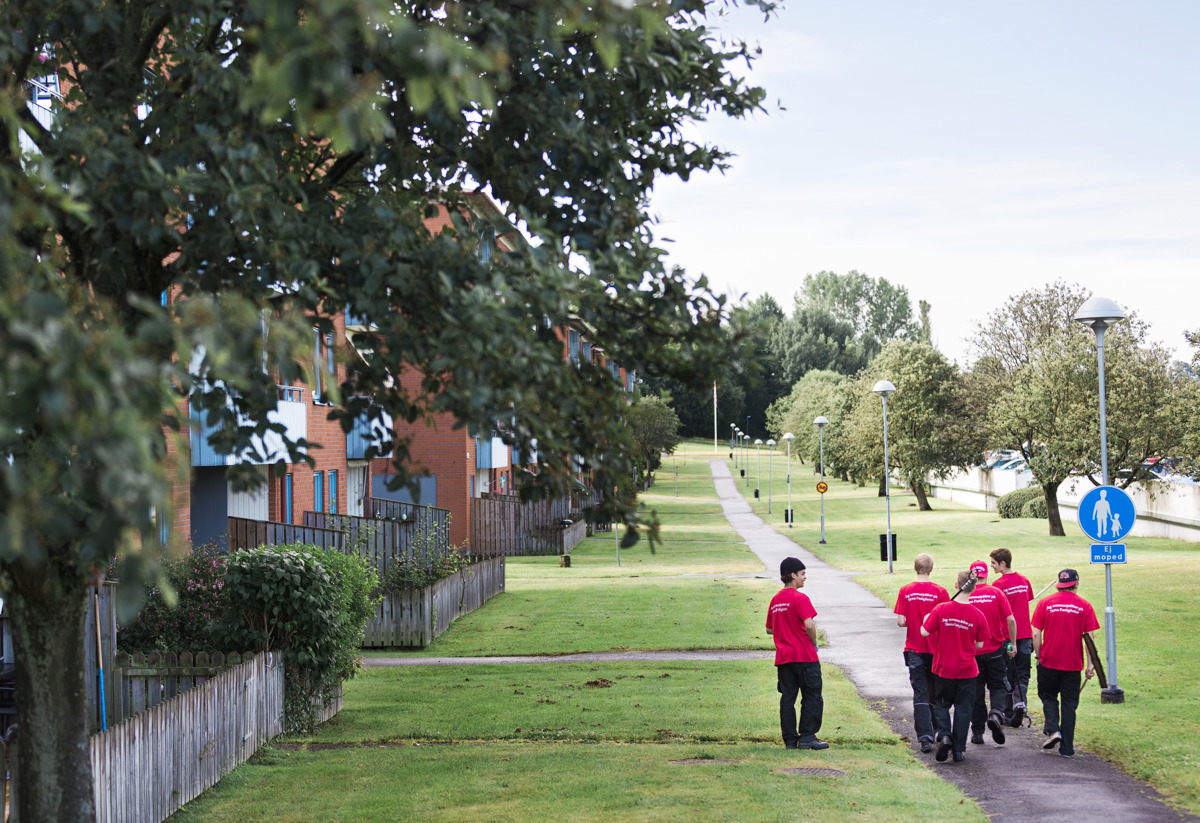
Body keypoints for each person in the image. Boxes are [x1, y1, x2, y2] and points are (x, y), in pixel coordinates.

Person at [1032, 568, 1099, 758]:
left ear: (1059, 584)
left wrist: (1038, 656)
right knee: (1069, 704)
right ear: (1076, 584)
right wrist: (1091, 664)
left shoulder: (1045, 603)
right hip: (1072, 664)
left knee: (1048, 696)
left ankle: (1053, 730)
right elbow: (1090, 638)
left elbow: (1036, 633)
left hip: (1048, 661)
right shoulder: (1084, 606)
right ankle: (1067, 748)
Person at [921, 570, 987, 763]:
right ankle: (958, 750)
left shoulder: (941, 609)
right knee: (963, 709)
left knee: (940, 704)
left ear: (956, 586)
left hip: (944, 668)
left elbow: (924, 632)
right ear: (974, 589)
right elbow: (980, 645)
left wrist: (927, 618)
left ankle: (945, 735)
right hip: (967, 670)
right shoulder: (978, 615)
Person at [765, 557, 827, 750]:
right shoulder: (800, 598)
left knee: (788, 699)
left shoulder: (776, 600)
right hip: (804, 655)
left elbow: (769, 629)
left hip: (784, 658)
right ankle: (808, 736)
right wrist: (814, 642)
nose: (805, 577)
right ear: (793, 575)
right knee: (812, 695)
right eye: (802, 574)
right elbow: (809, 624)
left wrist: (785, 629)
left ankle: (790, 739)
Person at [894, 552, 950, 753]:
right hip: (936, 650)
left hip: (914, 648)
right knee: (937, 693)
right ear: (931, 569)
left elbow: (901, 621)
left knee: (920, 694)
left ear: (915, 568)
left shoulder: (905, 590)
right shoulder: (940, 592)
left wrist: (913, 620)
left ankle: (924, 738)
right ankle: (939, 731)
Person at [965, 560, 1017, 745]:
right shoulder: (996, 593)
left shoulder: (965, 594)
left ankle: (977, 732)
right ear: (986, 575)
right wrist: (1012, 643)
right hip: (995, 649)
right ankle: (996, 714)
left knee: (976, 691)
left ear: (972, 575)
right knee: (997, 686)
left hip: (973, 652)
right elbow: (1010, 619)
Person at [990, 548, 1034, 725]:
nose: (991, 566)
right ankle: (1020, 704)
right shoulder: (1024, 580)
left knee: (1007, 673)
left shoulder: (998, 586)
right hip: (1026, 634)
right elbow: (1028, 600)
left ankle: (1008, 712)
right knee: (1023, 673)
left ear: (1003, 563)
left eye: (993, 563)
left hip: (1008, 636)